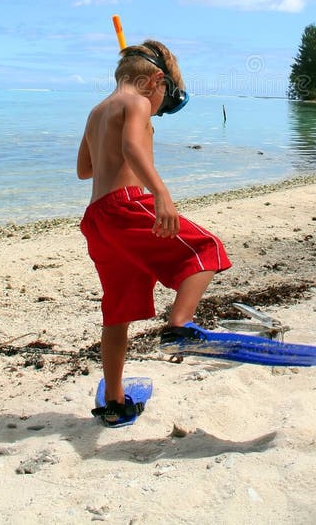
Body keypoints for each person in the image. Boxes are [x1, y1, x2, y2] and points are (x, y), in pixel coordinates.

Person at [77, 39, 231, 424]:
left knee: (118, 310)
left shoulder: (97, 111)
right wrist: (160, 192)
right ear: (155, 81)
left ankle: (114, 400)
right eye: (166, 96)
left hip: (97, 218)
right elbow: (131, 147)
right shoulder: (138, 102)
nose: (159, 108)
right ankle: (179, 326)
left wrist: (115, 147)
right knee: (205, 251)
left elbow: (85, 168)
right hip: (126, 205)